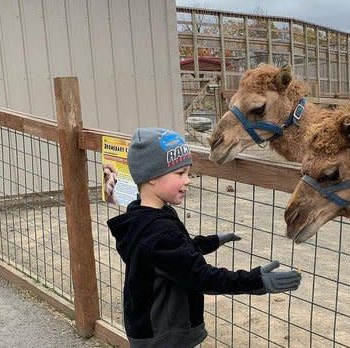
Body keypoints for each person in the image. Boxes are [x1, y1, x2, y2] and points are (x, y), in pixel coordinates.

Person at [107, 128, 301, 348]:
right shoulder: (160, 234)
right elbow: (202, 277)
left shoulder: (141, 216)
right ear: (151, 177)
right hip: (165, 335)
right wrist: (257, 281)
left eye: (188, 173)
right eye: (180, 174)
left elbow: (178, 253)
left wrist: (213, 241)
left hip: (149, 326)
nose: (188, 180)